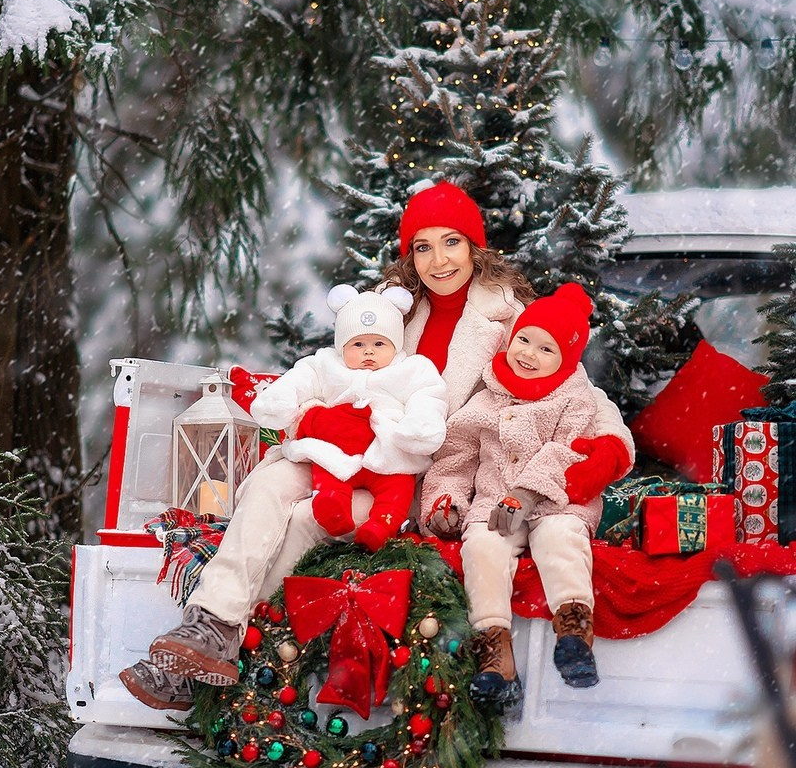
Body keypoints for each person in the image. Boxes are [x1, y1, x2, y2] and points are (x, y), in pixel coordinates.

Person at [118, 181, 634, 711]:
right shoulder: (394, 311)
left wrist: (606, 451)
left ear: (475, 247)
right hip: (348, 452)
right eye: (423, 246)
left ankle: (211, 659)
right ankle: (208, 630)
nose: (439, 260)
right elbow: (336, 371)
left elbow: (579, 392)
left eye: (451, 242)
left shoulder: (509, 318)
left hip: (417, 480)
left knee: (304, 522)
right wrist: (317, 417)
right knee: (271, 483)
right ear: (409, 255)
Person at [419, 281, 612, 712]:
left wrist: (527, 492)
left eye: (547, 350)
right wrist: (444, 503)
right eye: (524, 339)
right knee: (482, 547)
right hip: (492, 502)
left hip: (554, 500)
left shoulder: (575, 399)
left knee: (562, 538)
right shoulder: (486, 398)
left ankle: (574, 632)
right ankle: (495, 655)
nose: (528, 354)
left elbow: (572, 448)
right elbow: (455, 459)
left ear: (566, 360)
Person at [248, 283, 447, 552]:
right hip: (338, 453)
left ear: (395, 344)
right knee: (326, 471)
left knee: (398, 489)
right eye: (358, 344)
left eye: (379, 343)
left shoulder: (412, 368)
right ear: (342, 345)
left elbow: (428, 396)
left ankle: (381, 526)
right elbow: (300, 379)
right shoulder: (326, 364)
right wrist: (279, 400)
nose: (368, 351)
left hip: (387, 455)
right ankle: (331, 506)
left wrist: (420, 426)